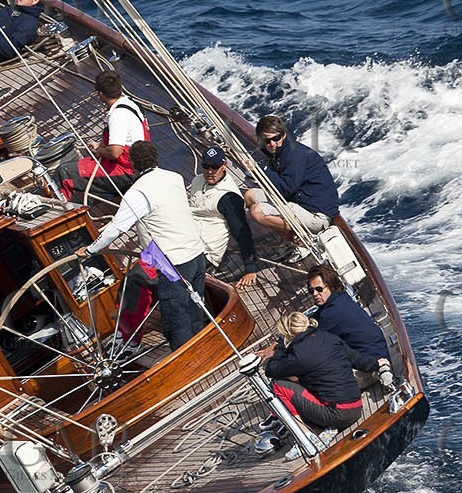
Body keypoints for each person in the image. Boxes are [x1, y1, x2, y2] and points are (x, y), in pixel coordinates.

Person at [76, 140, 208, 353]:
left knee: (177, 318)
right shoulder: (174, 177)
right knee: (194, 307)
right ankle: (203, 350)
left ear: (132, 164)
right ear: (155, 158)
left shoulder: (137, 193)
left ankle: (190, 362)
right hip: (197, 254)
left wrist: (90, 250)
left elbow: (115, 229)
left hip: (172, 265)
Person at [256, 310, 364, 452]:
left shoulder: (297, 356)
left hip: (337, 415)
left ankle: (305, 435)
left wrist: (278, 350)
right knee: (299, 376)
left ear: (289, 335)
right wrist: (380, 365)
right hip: (356, 408)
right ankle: (301, 419)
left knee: (278, 385)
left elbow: (271, 370)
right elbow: (357, 360)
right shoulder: (328, 337)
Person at [244, 115, 340, 261]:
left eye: (275, 138)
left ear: (283, 135)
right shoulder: (280, 152)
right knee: (250, 195)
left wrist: (260, 169)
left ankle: (303, 243)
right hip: (298, 202)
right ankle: (291, 239)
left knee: (257, 212)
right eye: (266, 141)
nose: (272, 144)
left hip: (315, 214)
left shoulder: (295, 155)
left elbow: (286, 190)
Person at [58, 68, 148, 204]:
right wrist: (101, 145)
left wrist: (99, 151)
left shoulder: (117, 115)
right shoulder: (131, 103)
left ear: (100, 94)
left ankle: (62, 210)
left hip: (128, 171)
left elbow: (115, 152)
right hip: (140, 164)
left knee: (65, 171)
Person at [187, 145, 260, 289]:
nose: (209, 171)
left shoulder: (228, 198)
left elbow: (242, 233)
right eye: (206, 166)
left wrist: (250, 269)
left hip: (203, 252)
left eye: (214, 166)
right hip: (185, 240)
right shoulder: (197, 181)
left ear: (224, 166)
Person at [305, 265, 389, 377]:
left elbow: (308, 339)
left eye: (319, 289)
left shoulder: (332, 313)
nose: (315, 294)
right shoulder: (342, 299)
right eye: (311, 290)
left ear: (331, 286)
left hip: (369, 369)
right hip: (379, 355)